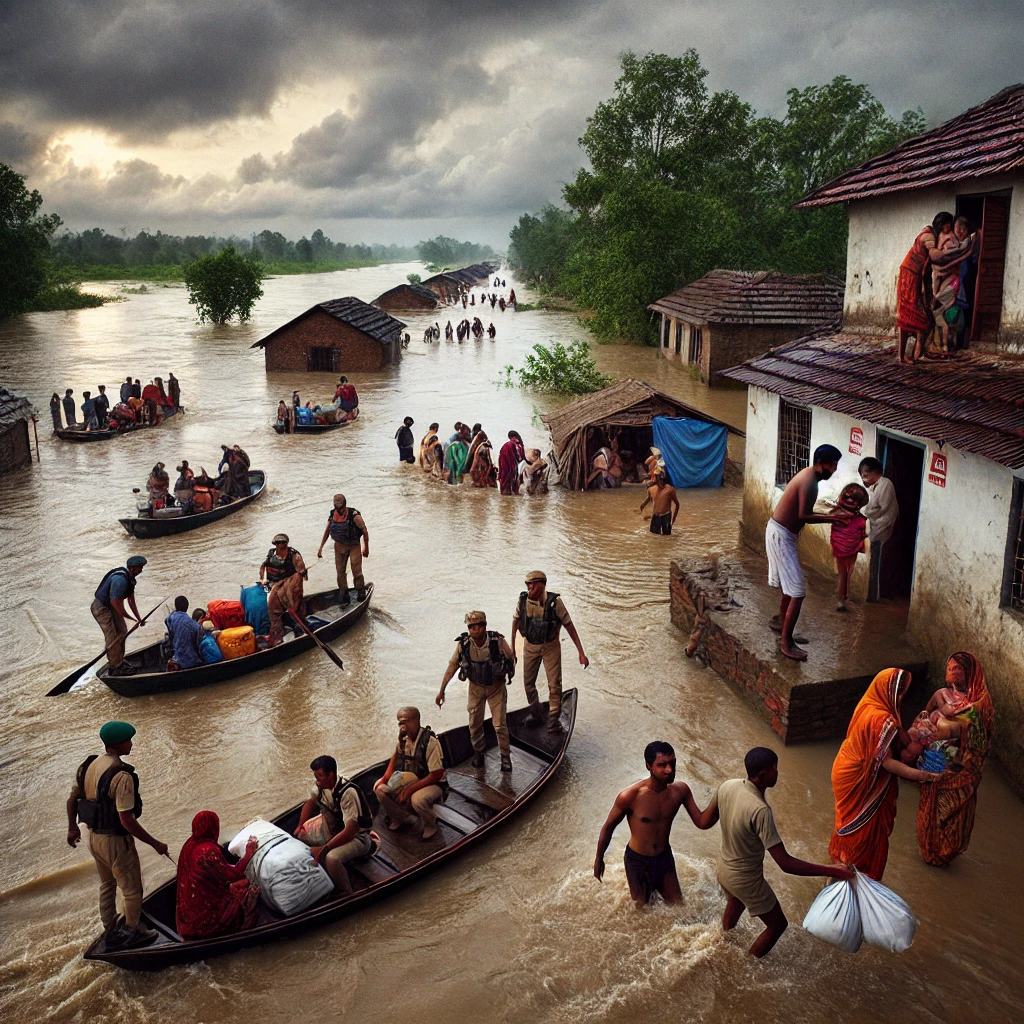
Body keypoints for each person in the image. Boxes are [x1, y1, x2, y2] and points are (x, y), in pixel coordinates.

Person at [703, 747, 854, 958]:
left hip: (723, 869)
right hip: (744, 878)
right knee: (778, 925)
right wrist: (834, 870)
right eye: (774, 769)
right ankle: (747, 965)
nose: (777, 773)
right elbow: (785, 863)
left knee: (736, 900)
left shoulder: (729, 786)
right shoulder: (760, 810)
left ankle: (722, 940)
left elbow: (705, 821)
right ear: (764, 775)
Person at [829, 668, 943, 880]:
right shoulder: (882, 720)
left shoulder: (869, 704)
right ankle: (852, 876)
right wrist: (923, 776)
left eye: (902, 691)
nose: (900, 697)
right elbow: (886, 762)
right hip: (860, 777)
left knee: (846, 823)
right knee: (862, 831)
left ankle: (839, 868)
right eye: (897, 691)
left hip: (845, 766)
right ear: (885, 690)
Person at [66, 721, 168, 949]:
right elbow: (126, 820)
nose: (131, 743)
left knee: (107, 883)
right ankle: (133, 932)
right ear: (118, 744)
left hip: (92, 836)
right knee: (132, 889)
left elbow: (72, 799)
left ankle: (111, 929)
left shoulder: (88, 766)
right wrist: (155, 844)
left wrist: (72, 829)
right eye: (128, 740)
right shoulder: (122, 776)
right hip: (114, 839)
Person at [593, 741, 714, 906]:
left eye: (672, 763)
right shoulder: (630, 796)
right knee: (642, 910)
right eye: (662, 765)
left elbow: (701, 822)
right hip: (637, 861)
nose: (669, 770)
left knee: (679, 907)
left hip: (664, 858)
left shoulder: (680, 791)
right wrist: (599, 858)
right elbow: (608, 827)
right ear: (649, 766)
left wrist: (720, 799)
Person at [766, 444, 846, 660]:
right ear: (822, 464)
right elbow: (804, 515)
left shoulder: (810, 477)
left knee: (789, 588)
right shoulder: (810, 481)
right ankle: (786, 642)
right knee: (798, 591)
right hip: (781, 535)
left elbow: (805, 510)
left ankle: (783, 627)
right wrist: (834, 519)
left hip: (782, 533)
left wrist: (830, 512)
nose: (834, 469)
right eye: (833, 464)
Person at [916, 653, 995, 867]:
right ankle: (929, 852)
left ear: (970, 673)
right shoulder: (943, 694)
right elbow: (925, 714)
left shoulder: (977, 707)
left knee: (950, 813)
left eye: (958, 669)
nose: (952, 672)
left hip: (961, 771)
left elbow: (956, 730)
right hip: (935, 762)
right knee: (930, 811)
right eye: (950, 667)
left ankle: (942, 856)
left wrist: (937, 725)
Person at [436, 611, 516, 772]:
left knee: (500, 725)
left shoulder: (497, 641)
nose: (475, 630)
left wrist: (506, 674)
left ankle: (505, 756)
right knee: (474, 724)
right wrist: (441, 691)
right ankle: (479, 752)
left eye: (478, 626)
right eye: (471, 627)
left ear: (484, 627)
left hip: (496, 688)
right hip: (475, 688)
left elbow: (511, 659)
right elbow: (452, 667)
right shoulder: (464, 645)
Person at [511, 570, 588, 734]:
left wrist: (581, 653)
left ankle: (553, 721)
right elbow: (516, 622)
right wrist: (512, 649)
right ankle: (536, 712)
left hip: (550, 646)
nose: (529, 587)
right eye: (527, 584)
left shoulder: (555, 602)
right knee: (528, 683)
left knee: (555, 685)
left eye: (532, 584)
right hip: (530, 646)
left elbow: (569, 626)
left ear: (541, 584)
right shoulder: (523, 600)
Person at [294, 755, 374, 893]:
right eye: (315, 776)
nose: (317, 781)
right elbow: (310, 803)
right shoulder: (320, 786)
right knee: (302, 835)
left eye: (319, 776)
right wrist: (299, 825)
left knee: (331, 858)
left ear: (330, 775)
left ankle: (347, 892)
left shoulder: (348, 793)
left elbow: (351, 831)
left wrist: (324, 850)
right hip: (334, 828)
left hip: (358, 837)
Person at [176, 811, 259, 940]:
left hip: (185, 919)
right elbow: (235, 874)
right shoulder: (208, 850)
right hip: (206, 922)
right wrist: (249, 853)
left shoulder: (189, 845)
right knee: (249, 887)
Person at [374, 707, 448, 840]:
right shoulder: (404, 739)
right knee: (380, 789)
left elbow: (437, 774)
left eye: (405, 722)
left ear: (415, 721)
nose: (402, 726)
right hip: (411, 780)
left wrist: (410, 790)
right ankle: (399, 816)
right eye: (400, 723)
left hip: (433, 784)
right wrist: (384, 779)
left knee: (417, 799)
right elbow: (395, 757)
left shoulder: (429, 741)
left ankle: (430, 824)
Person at [91, 556, 148, 676]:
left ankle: (119, 660)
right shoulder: (120, 580)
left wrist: (138, 618)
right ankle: (115, 665)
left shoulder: (130, 579)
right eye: (139, 568)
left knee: (123, 631)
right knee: (112, 637)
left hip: (112, 606)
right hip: (102, 609)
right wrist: (127, 617)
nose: (141, 571)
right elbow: (115, 602)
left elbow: (131, 601)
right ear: (132, 568)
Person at [858, 457, 898, 598]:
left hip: (884, 529)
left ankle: (876, 595)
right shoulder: (873, 487)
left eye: (866, 474)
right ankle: (872, 594)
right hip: (876, 529)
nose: (864, 478)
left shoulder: (885, 485)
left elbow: (877, 508)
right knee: (873, 561)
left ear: (876, 471)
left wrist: (860, 510)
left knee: (878, 563)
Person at [317, 494, 368, 604]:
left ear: (344, 505)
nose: (339, 510)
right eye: (336, 506)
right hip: (339, 547)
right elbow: (327, 531)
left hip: (354, 546)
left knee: (357, 571)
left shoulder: (354, 515)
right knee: (340, 573)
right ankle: (344, 595)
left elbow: (364, 531)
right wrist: (321, 548)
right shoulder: (332, 514)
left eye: (340, 507)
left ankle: (361, 591)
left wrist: (366, 548)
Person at [260, 534, 307, 646]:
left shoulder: (294, 555)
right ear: (275, 544)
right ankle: (277, 634)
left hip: (291, 581)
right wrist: (262, 579)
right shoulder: (271, 555)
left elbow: (301, 573)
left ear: (286, 543)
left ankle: (300, 627)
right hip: (276, 584)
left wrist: (295, 587)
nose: (280, 545)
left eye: (283, 543)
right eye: (278, 543)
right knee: (272, 607)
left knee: (293, 604)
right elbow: (263, 567)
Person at [830, 483, 869, 611]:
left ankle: (841, 599)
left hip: (839, 547)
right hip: (852, 549)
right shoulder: (861, 521)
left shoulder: (836, 514)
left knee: (842, 573)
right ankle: (844, 597)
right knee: (848, 572)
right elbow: (864, 534)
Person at [164, 595, 203, 670]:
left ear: (176, 607)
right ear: (187, 607)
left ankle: (174, 664)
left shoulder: (171, 617)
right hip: (192, 662)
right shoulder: (195, 626)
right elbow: (198, 645)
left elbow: (166, 621)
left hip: (176, 657)